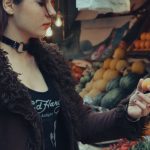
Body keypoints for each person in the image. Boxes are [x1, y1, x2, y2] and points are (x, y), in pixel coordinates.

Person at [0, 0, 150, 150]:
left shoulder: (50, 62)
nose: (52, 12)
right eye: (41, 3)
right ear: (9, 4)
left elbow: (81, 122)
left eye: (51, 3)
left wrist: (128, 114)